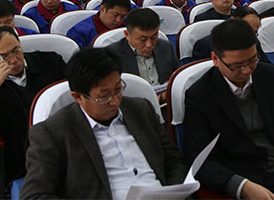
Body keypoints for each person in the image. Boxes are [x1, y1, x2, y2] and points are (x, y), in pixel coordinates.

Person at [20, 48, 187, 199]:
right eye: (104, 96)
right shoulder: (52, 133)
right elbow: (34, 195)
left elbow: (174, 161)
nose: (115, 102)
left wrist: (173, 193)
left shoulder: (141, 110)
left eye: (118, 90)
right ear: (78, 97)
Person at [184, 19, 274, 198]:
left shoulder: (271, 76)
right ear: (215, 59)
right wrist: (240, 186)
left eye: (252, 61)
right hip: (241, 178)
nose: (246, 71)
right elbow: (200, 159)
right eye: (236, 66)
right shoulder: (199, 95)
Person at [0, 27, 66, 185]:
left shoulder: (50, 62)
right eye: (4, 57)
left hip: (65, 145)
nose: (14, 60)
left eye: (16, 50)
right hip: (25, 161)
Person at [105, 8, 180, 93]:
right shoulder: (112, 55)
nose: (149, 44)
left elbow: (178, 76)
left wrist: (170, 85)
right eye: (143, 39)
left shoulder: (166, 47)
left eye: (153, 37)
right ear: (127, 35)